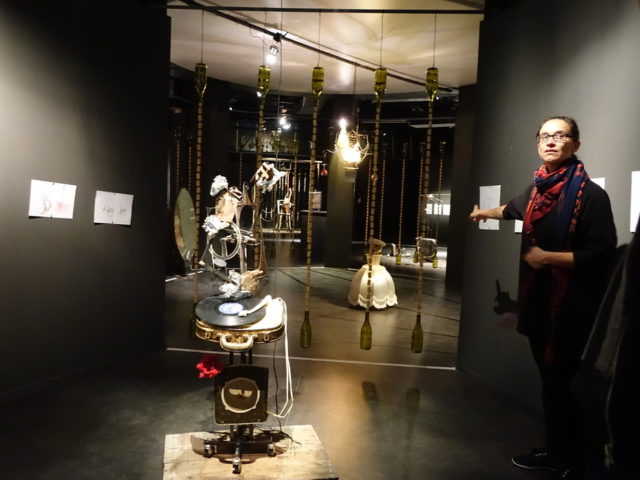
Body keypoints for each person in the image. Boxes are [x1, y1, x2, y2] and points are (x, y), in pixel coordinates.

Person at [469, 116, 617, 480]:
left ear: (575, 144)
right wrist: (483, 213)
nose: (550, 141)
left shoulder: (590, 196)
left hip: (570, 310)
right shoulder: (537, 191)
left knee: (566, 387)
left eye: (560, 135)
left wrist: (546, 258)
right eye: (545, 136)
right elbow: (510, 209)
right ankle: (555, 450)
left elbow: (601, 253)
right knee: (551, 384)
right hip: (539, 305)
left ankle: (570, 462)